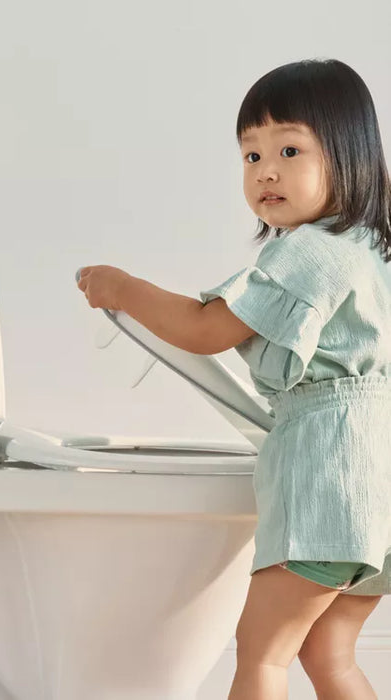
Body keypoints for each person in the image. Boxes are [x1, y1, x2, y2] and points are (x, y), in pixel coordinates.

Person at [77, 58, 391, 700]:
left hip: (332, 479)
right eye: (251, 156)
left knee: (263, 654)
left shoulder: (310, 249)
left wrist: (122, 287)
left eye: (289, 150)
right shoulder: (370, 248)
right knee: (329, 656)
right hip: (378, 487)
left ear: (350, 155)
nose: (266, 170)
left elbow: (205, 328)